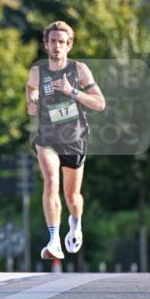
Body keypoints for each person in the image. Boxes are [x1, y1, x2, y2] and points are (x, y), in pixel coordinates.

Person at [26, 20, 106, 262]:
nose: (57, 46)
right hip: (47, 138)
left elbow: (100, 103)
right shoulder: (37, 71)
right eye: (53, 41)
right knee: (51, 181)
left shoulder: (79, 70)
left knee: (72, 196)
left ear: (69, 45)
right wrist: (32, 98)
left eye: (62, 42)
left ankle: (75, 223)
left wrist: (73, 91)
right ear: (46, 44)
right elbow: (30, 93)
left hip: (74, 139)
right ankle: (54, 241)